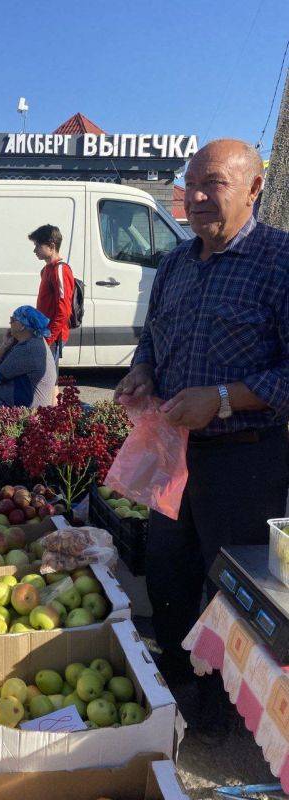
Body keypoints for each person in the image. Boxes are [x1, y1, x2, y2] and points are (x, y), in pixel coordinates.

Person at [114, 139, 289, 719]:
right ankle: (173, 678)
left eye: (212, 183)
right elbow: (152, 339)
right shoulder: (175, 264)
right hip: (174, 456)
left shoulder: (280, 263)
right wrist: (142, 371)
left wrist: (220, 399)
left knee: (231, 590)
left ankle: (219, 709)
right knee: (166, 569)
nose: (194, 197)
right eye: (190, 184)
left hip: (244, 460)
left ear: (254, 188)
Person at [0, 306, 56, 413]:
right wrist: (4, 346)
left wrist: (3, 349)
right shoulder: (32, 341)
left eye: (12, 320)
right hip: (18, 402)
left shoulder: (27, 349)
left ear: (22, 326)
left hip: (23, 409)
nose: (9, 322)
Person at [29, 223, 74, 369]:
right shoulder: (46, 269)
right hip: (45, 332)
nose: (34, 250)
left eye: (38, 246)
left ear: (51, 245)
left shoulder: (60, 269)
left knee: (47, 382)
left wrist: (49, 337)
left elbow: (64, 310)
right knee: (48, 382)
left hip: (53, 336)